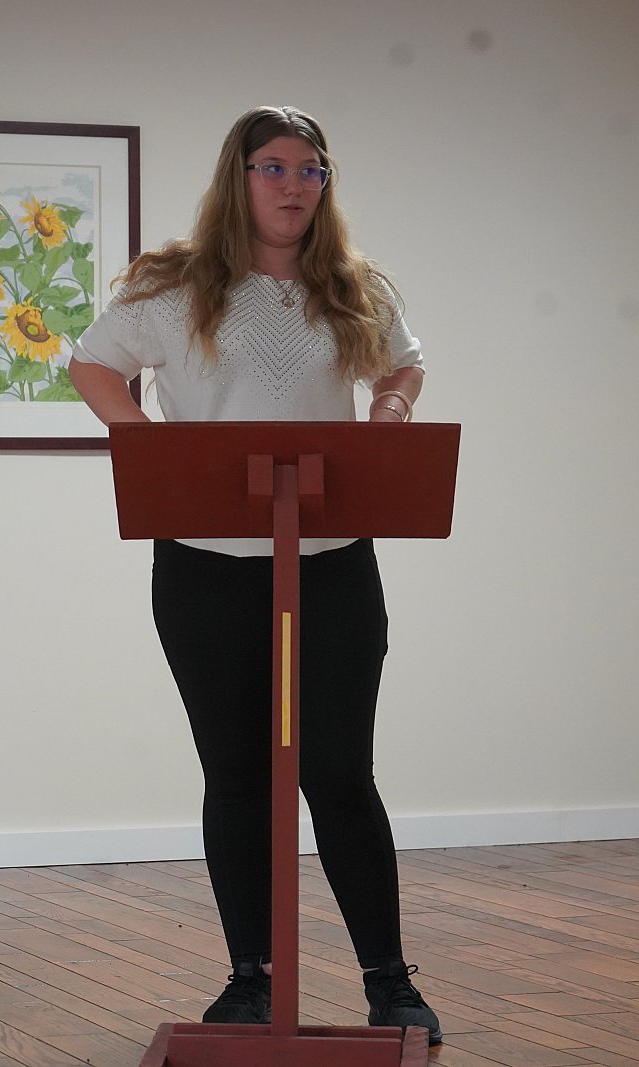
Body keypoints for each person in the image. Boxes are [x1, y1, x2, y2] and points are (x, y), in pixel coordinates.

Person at [67, 105, 441, 1044]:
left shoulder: (354, 287)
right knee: (236, 771)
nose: (294, 185)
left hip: (331, 566)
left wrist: (389, 415)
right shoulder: (174, 285)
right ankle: (252, 980)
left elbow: (405, 366)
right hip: (206, 569)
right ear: (238, 178)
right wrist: (146, 444)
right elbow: (94, 363)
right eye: (274, 167)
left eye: (311, 170)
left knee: (338, 771)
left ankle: (389, 982)